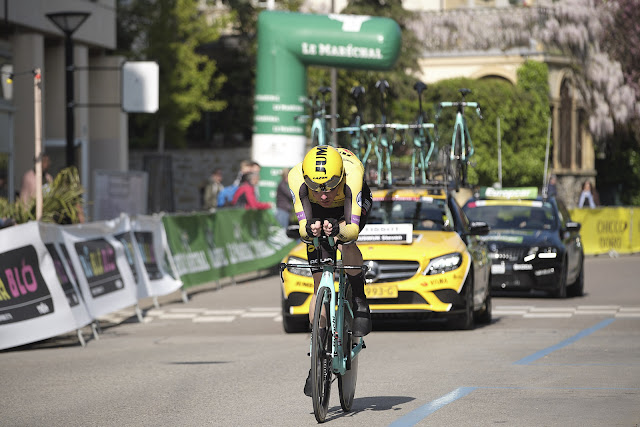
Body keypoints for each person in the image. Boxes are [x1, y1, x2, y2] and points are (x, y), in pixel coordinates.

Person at [288, 145, 372, 397]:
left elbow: (353, 229)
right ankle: (318, 352)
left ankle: (358, 298)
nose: (324, 194)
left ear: (341, 177)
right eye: (316, 187)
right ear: (305, 178)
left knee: (347, 241)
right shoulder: (295, 178)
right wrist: (311, 229)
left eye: (331, 185)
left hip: (347, 207)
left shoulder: (353, 174)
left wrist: (338, 229)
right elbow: (303, 228)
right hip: (318, 214)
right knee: (318, 284)